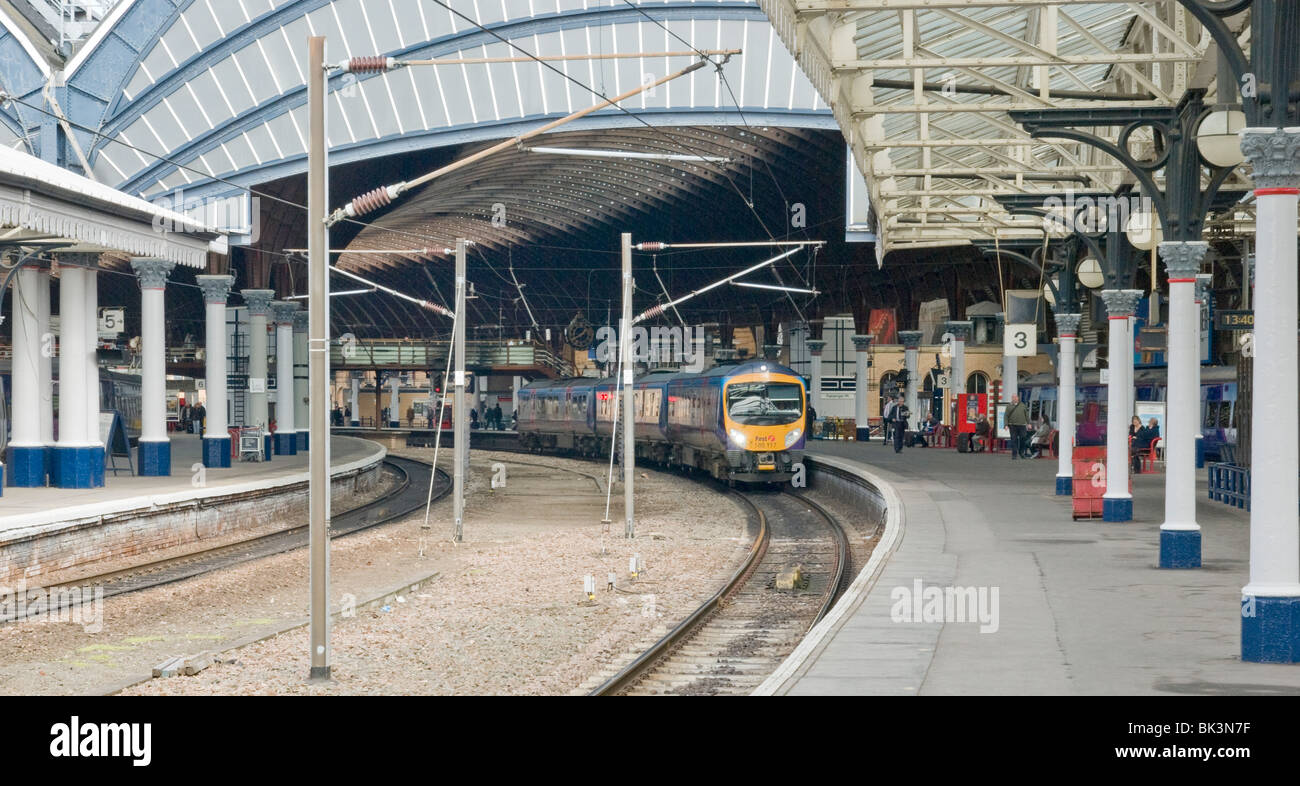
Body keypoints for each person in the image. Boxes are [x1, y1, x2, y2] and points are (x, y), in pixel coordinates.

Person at [1005, 394, 1030, 460]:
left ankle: (1021, 452)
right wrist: (1006, 425)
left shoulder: (1023, 405)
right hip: (1012, 425)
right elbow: (1006, 416)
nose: (1013, 398)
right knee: (1014, 440)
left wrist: (1028, 423)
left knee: (1023, 438)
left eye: (1015, 397)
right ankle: (1014, 455)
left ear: (1018, 398)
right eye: (1012, 397)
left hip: (1022, 425)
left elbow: (1026, 415)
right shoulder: (1009, 406)